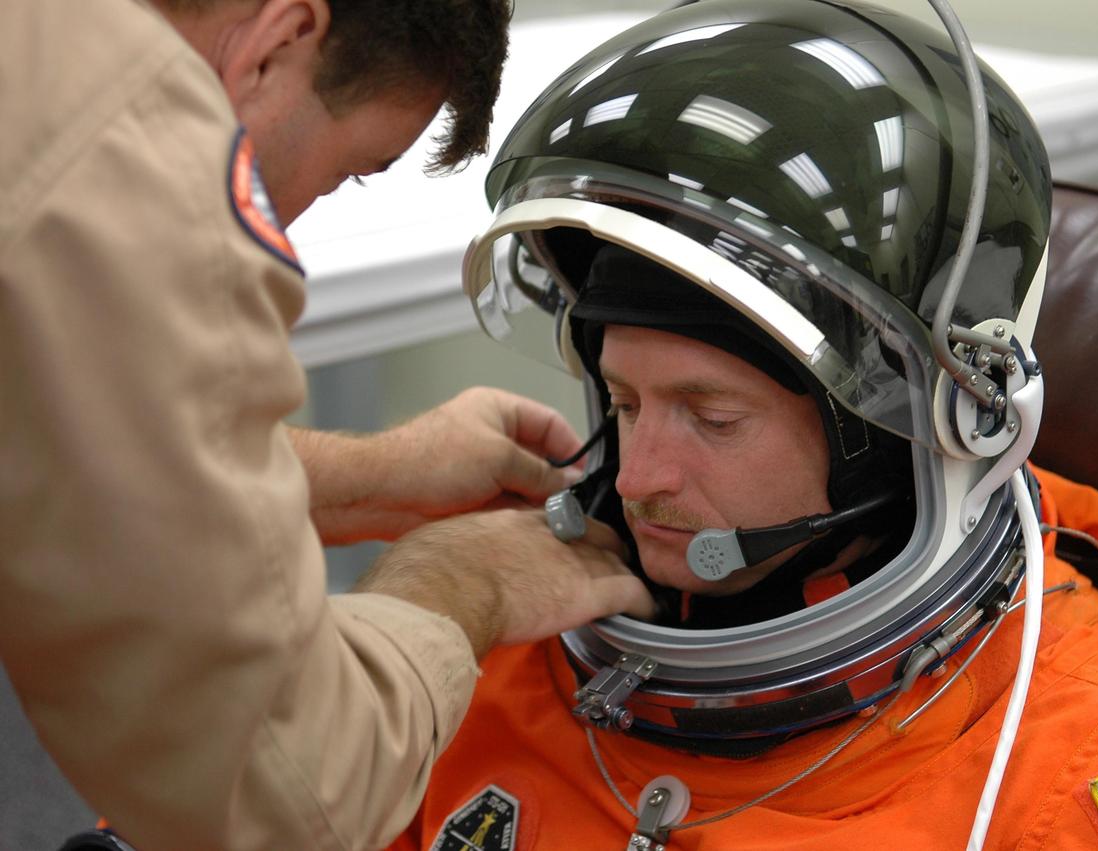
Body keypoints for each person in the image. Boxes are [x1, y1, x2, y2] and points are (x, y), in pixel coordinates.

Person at [386, 1, 1098, 847]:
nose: (636, 476)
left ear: (888, 442)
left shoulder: (1096, 772)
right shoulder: (493, 637)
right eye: (625, 404)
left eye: (713, 417)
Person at [1, 1, 652, 849]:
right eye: (351, 171)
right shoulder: (119, 176)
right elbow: (282, 785)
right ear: (280, 41)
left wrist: (368, 475)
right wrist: (461, 583)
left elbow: (58, 443)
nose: (294, 225)